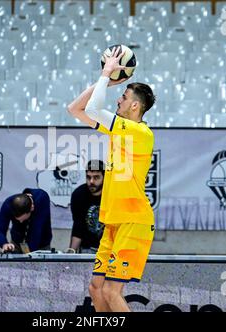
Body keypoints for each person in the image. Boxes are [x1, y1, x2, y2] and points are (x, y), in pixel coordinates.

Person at [67, 46, 156, 312]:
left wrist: (107, 73)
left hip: (133, 220)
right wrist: (104, 80)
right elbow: (75, 108)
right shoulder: (120, 129)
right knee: (96, 288)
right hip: (114, 221)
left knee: (112, 291)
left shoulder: (140, 132)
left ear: (135, 105)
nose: (118, 99)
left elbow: (94, 108)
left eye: (123, 95)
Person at [0, 188, 52, 254]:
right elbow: (0, 231)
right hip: (17, 243)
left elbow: (36, 230)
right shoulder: (7, 205)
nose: (21, 222)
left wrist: (29, 256)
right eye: (17, 220)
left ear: (32, 208)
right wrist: (4, 244)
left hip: (41, 245)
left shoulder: (41, 198)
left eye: (23, 219)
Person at [67, 159, 105, 254]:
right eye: (88, 177)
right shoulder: (79, 194)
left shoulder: (113, 194)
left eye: (96, 177)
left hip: (109, 249)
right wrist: (71, 253)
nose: (91, 181)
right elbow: (78, 227)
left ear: (105, 177)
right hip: (87, 249)